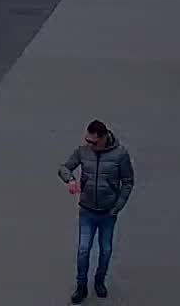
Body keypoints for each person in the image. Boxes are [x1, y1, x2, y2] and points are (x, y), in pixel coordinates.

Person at [57, 119, 134, 302]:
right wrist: (71, 180)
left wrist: (118, 206)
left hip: (108, 213)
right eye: (87, 140)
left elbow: (128, 181)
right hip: (87, 211)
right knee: (83, 250)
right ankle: (81, 286)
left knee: (105, 250)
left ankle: (99, 281)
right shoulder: (83, 152)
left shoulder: (120, 154)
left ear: (103, 138)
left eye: (93, 141)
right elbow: (64, 168)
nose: (89, 144)